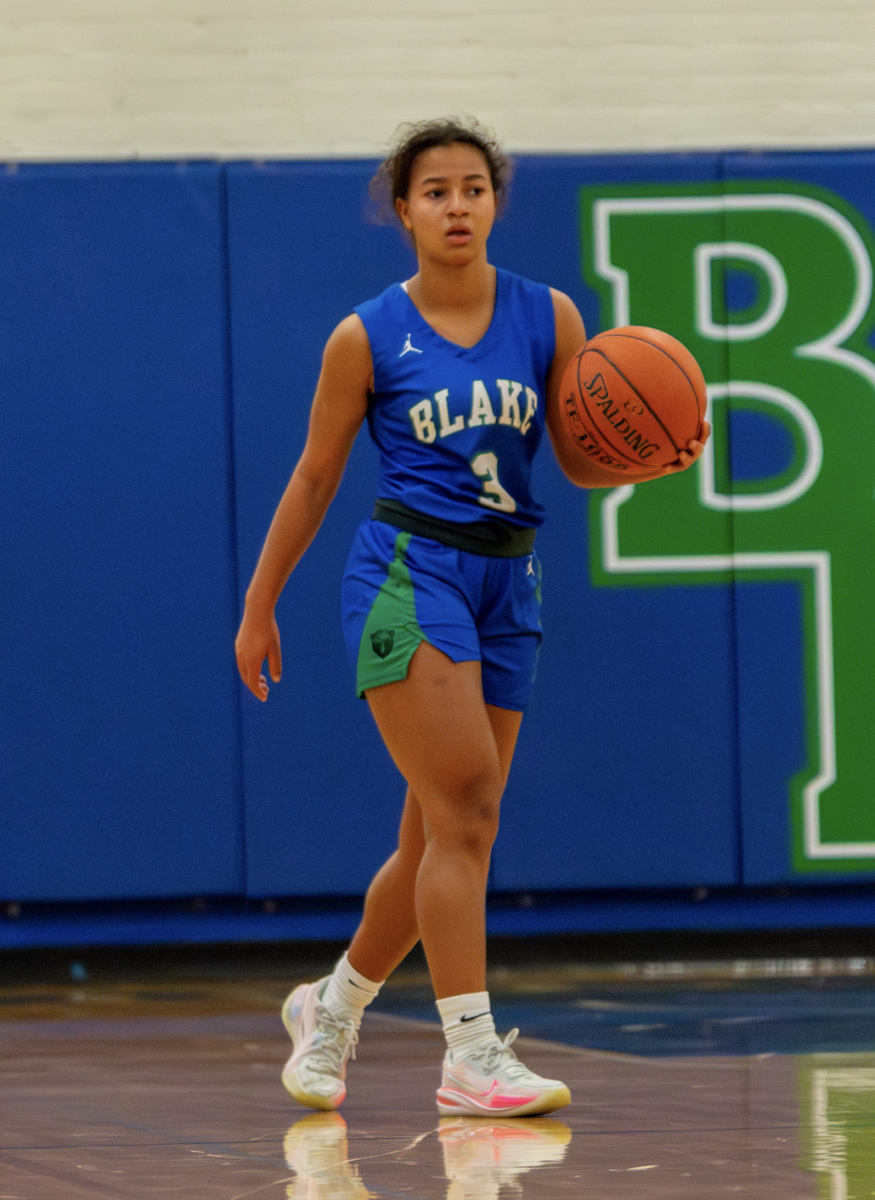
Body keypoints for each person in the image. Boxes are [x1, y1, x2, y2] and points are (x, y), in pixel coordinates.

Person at [235, 117, 710, 1118]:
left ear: (495, 202)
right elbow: (316, 474)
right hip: (408, 575)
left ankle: (330, 1010)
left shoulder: (548, 316)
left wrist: (658, 450)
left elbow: (580, 457)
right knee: (466, 808)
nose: (456, 206)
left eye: (472, 188)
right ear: (401, 210)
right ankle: (468, 1056)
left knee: (432, 842)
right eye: (435, 191)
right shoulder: (365, 334)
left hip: (508, 580)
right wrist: (260, 601)